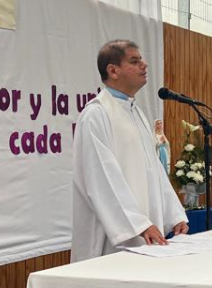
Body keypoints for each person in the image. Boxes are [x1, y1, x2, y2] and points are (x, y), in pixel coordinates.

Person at [71, 40, 189, 261]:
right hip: (114, 238)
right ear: (113, 71)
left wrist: (175, 216)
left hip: (147, 235)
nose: (144, 65)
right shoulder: (96, 114)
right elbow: (102, 178)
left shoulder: (137, 114)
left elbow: (154, 170)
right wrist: (138, 224)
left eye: (141, 60)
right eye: (134, 61)